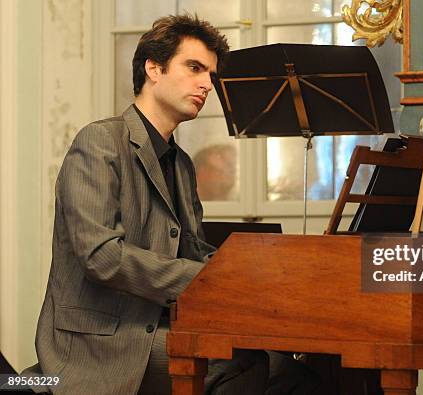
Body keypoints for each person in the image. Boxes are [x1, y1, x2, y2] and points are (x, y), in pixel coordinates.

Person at [30, 14, 317, 395]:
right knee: (244, 364)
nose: (206, 85)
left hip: (157, 326)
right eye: (194, 67)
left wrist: (259, 276)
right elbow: (101, 256)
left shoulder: (180, 163)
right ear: (154, 68)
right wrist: (209, 280)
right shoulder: (99, 141)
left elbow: (194, 250)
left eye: (210, 75)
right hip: (102, 342)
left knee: (295, 363)